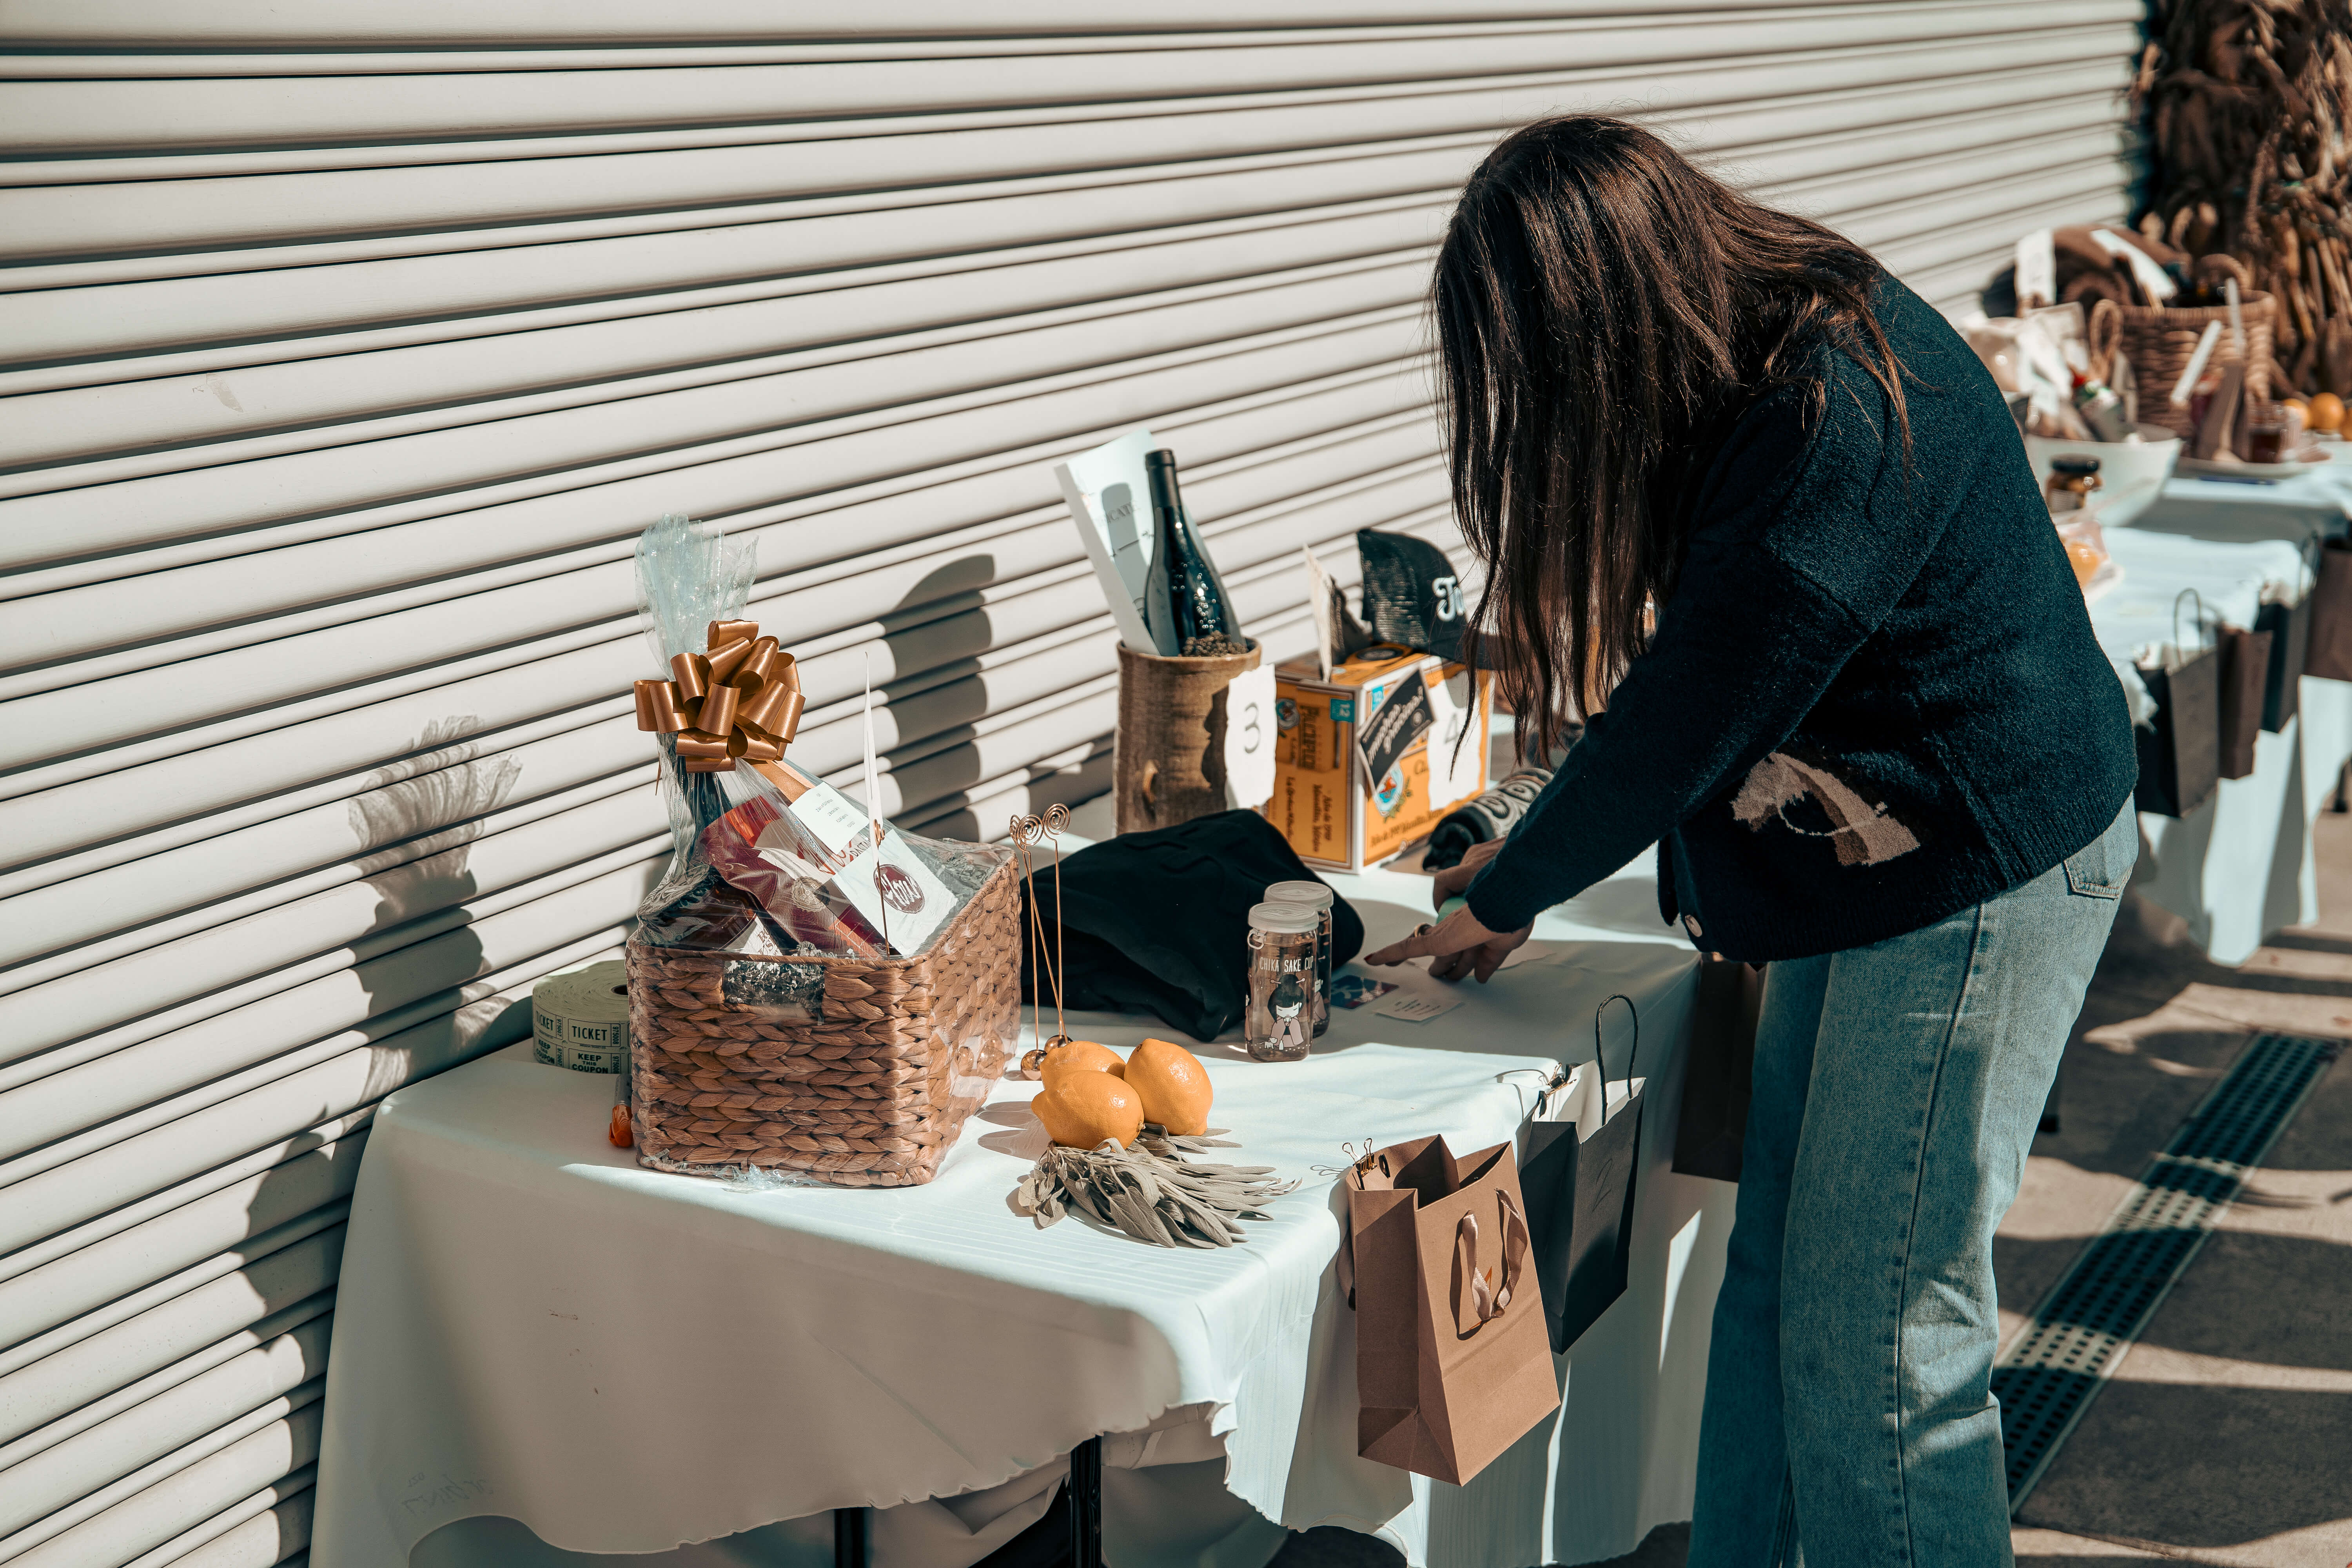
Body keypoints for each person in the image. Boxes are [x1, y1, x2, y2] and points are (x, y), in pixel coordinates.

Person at [1363, 116, 2138, 1565]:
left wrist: (1512, 896)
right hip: (1890, 865)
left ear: (1610, 316)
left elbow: (1692, 710)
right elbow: (1696, 693)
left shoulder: (1830, 412)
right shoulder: (1765, 348)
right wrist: (1530, 866)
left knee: (1889, 1341)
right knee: (1782, 1284)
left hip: (1981, 871)